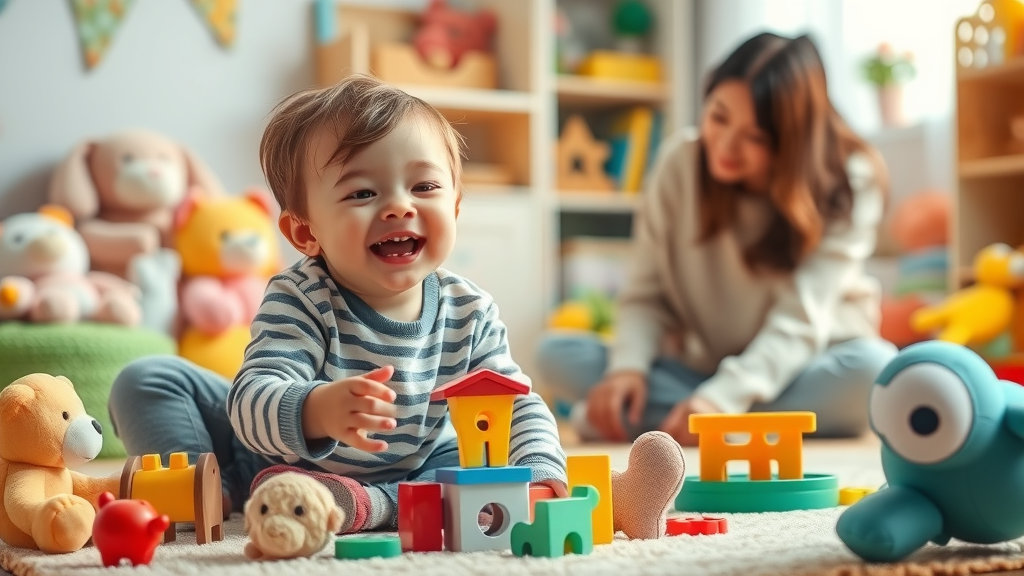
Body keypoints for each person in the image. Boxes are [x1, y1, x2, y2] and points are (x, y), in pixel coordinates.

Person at [109, 74, 567, 532]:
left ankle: (369, 504)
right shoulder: (302, 296)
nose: (398, 207)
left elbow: (516, 405)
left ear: (456, 207)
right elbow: (250, 400)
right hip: (271, 458)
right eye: (363, 193)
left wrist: (542, 472)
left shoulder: (470, 309)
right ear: (307, 233)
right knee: (146, 378)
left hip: (417, 469)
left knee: (468, 472)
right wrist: (316, 409)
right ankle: (204, 486)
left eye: (424, 187)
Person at [537, 32, 898, 445]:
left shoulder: (850, 177)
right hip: (701, 370)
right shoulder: (680, 163)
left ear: (791, 141)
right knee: (556, 354)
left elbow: (800, 322)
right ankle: (740, 428)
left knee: (875, 369)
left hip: (804, 367)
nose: (726, 145)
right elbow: (645, 295)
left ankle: (688, 424)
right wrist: (628, 369)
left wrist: (719, 401)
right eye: (719, 117)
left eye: (756, 137)